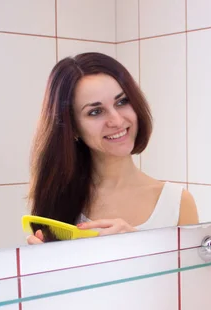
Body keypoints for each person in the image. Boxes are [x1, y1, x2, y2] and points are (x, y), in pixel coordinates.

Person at [27, 52, 199, 244]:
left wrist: (137, 246)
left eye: (122, 102)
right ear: (72, 127)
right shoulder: (57, 201)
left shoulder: (177, 204)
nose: (117, 121)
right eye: (95, 112)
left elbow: (191, 275)